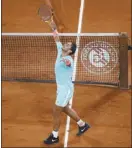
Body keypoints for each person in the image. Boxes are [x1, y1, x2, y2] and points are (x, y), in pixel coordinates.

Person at [43, 18, 91, 145]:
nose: (66, 44)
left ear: (70, 51)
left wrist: (65, 60)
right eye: (67, 44)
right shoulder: (60, 51)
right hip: (61, 88)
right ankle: (82, 125)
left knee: (56, 110)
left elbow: (68, 63)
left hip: (66, 89)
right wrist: (53, 27)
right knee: (64, 108)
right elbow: (57, 39)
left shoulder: (69, 59)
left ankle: (54, 136)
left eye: (68, 45)